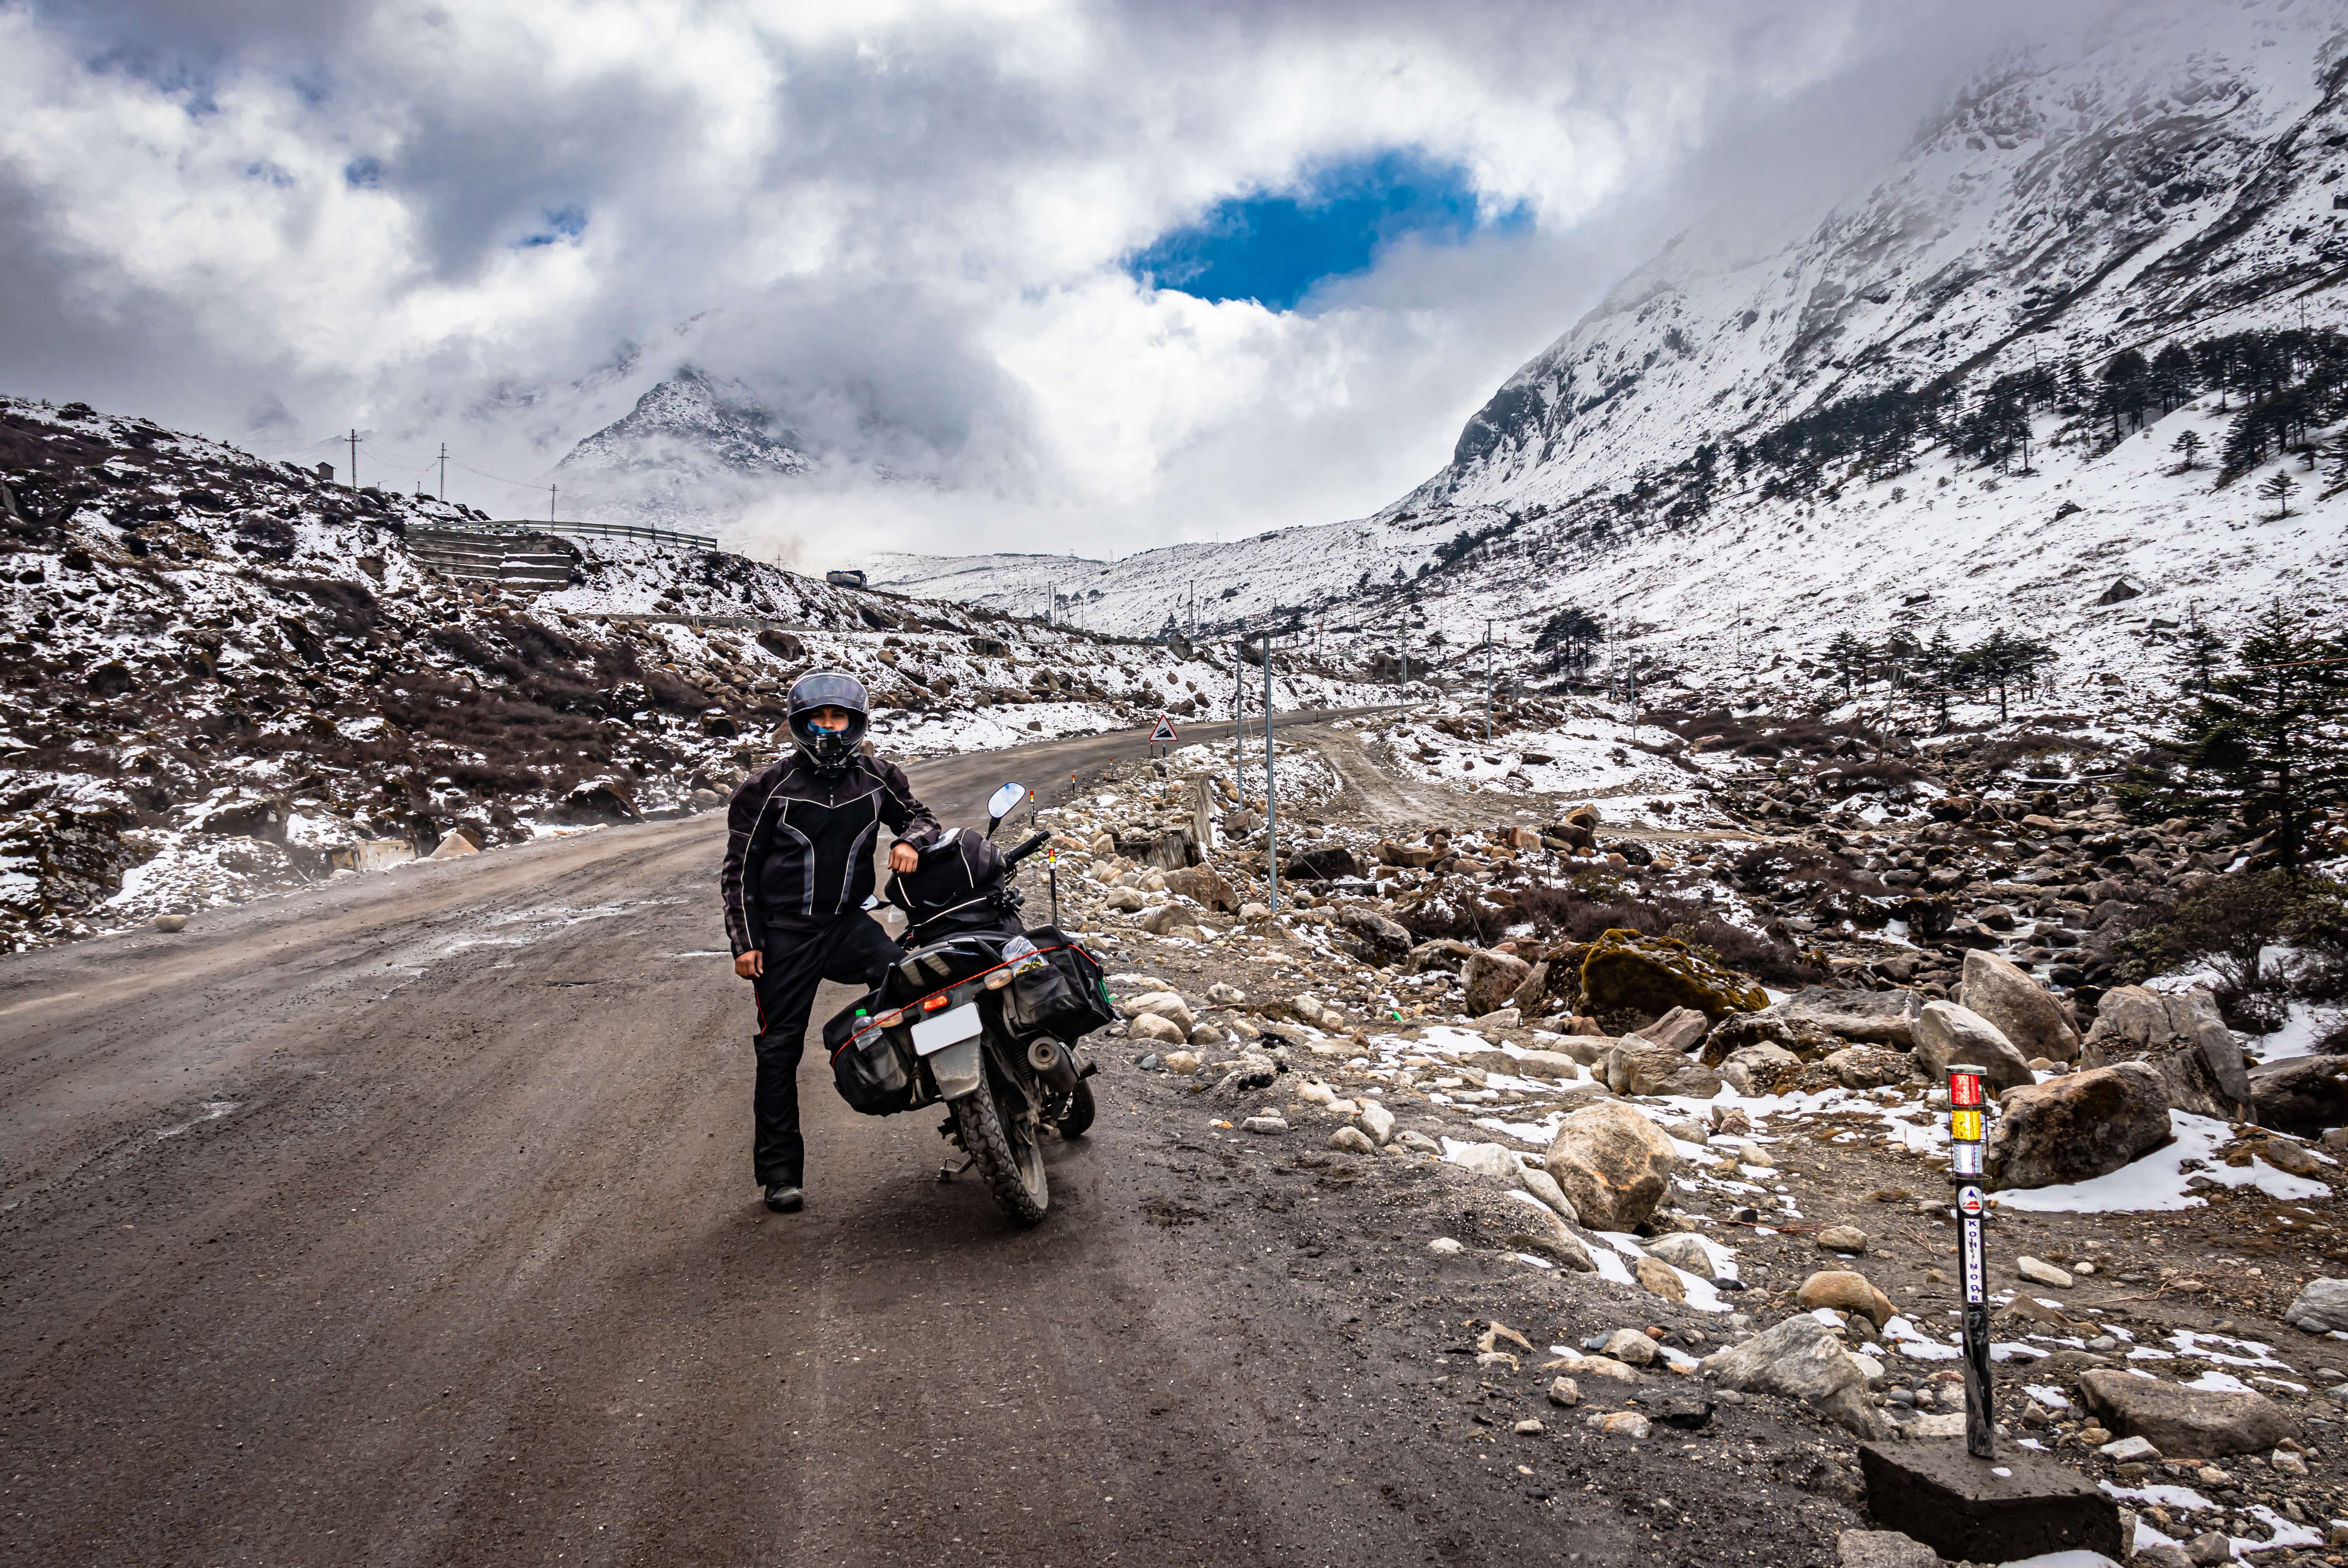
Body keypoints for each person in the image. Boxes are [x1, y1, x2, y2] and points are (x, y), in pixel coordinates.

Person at [721, 670, 937, 1212]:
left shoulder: (878, 776)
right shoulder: (765, 788)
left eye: (838, 717)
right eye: (817, 719)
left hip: (846, 925)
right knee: (778, 1050)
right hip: (784, 935)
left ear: (857, 723)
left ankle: (968, 1104)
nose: (828, 729)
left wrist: (911, 839)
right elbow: (738, 874)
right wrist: (745, 942)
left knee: (911, 982)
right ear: (799, 725)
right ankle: (779, 1176)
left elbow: (922, 819)